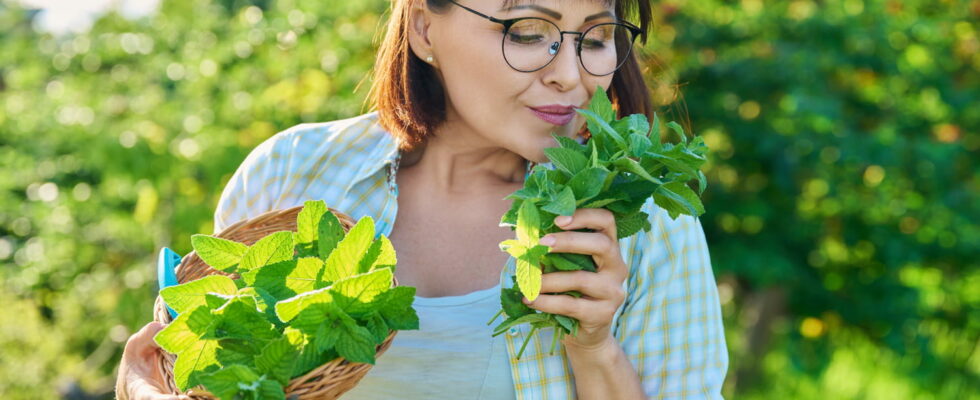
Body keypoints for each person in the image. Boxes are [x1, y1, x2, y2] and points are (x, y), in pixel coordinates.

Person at [115, 0, 729, 398]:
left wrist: (593, 347)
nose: (569, 73)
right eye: (528, 32)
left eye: (594, 37)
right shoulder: (293, 171)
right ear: (423, 26)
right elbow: (199, 369)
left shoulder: (639, 223)